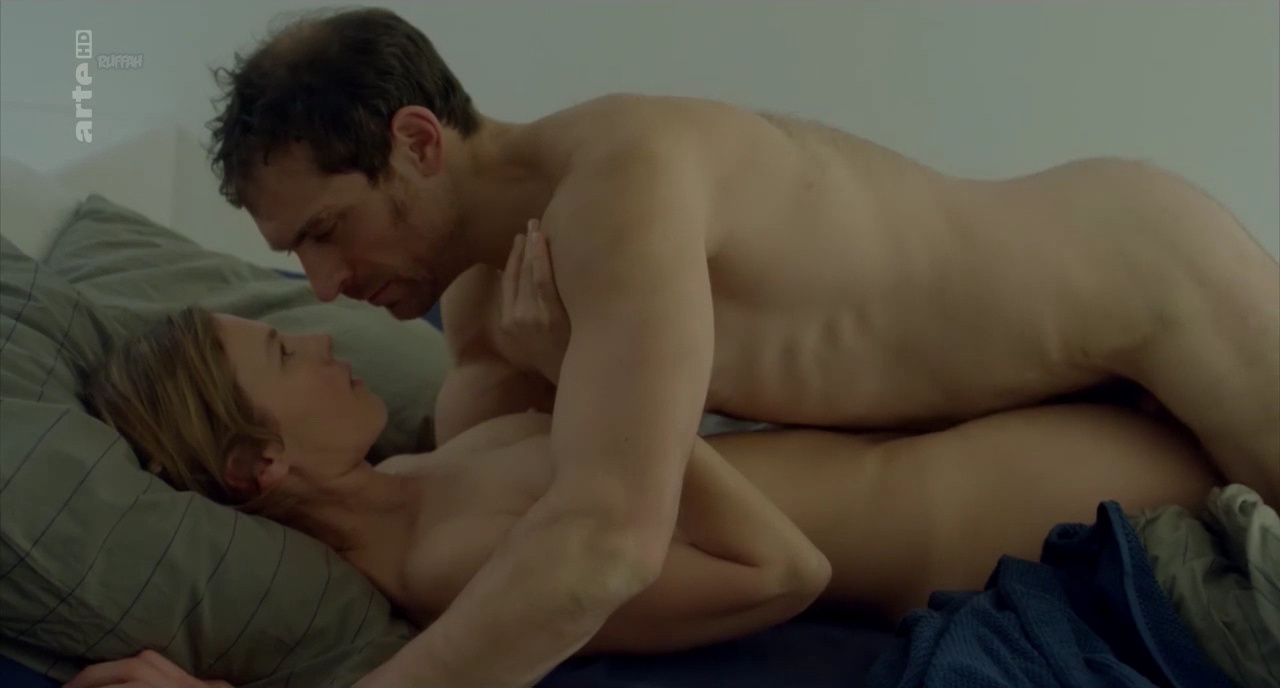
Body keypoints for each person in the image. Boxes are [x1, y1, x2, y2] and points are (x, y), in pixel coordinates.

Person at [204, 7, 1279, 685]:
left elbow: (603, 547)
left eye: (327, 231)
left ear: (416, 142)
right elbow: (507, 505)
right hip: (1027, 407)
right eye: (297, 256)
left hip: (1135, 278)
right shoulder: (488, 308)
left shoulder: (618, 185)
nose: (324, 288)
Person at [67, 251, 1217, 686]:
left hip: (948, 434)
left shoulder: (428, 465)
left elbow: (532, 389)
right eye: (283, 356)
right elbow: (779, 569)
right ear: (260, 466)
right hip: (962, 513)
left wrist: (548, 349)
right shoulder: (451, 564)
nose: (318, 339)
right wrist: (597, 375)